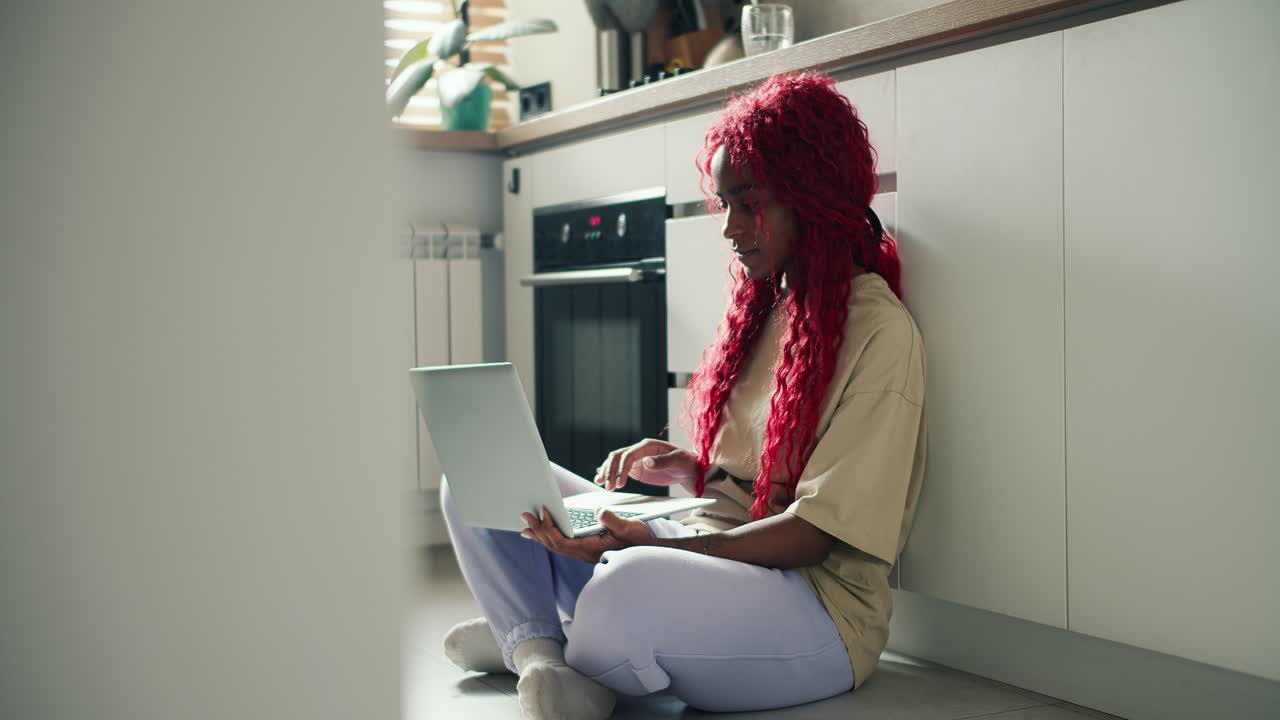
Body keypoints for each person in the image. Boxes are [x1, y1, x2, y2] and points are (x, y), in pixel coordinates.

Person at [439, 71, 927, 720]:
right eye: (723, 204)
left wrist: (647, 545)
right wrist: (692, 469)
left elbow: (812, 535)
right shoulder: (771, 307)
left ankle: (532, 630)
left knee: (627, 585)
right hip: (707, 554)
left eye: (746, 203)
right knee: (479, 480)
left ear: (809, 195)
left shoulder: (881, 333)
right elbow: (755, 487)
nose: (729, 229)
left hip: (813, 611)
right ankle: (542, 655)